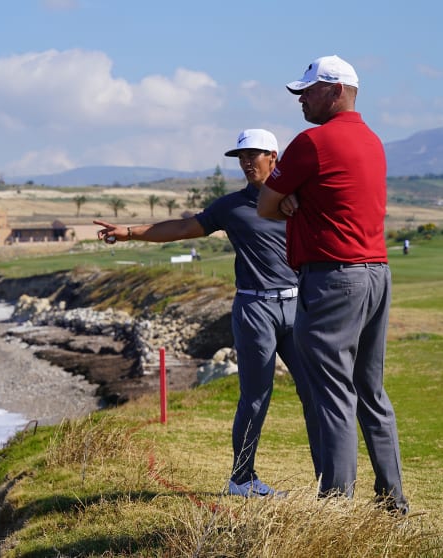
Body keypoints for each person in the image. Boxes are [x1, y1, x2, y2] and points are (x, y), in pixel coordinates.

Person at [95, 129, 321, 497]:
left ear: (274, 158)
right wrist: (131, 232)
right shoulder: (230, 207)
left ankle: (327, 482)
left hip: (298, 306)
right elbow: (184, 227)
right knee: (255, 395)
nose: (247, 162)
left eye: (254, 155)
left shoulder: (299, 200)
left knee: (313, 392)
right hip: (254, 308)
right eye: (241, 157)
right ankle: (242, 480)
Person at [256, 55, 409, 514]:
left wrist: (289, 200)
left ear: (337, 91)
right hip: (376, 273)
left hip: (332, 279)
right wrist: (294, 199)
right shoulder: (373, 140)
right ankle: (391, 502)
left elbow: (265, 204)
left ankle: (335, 510)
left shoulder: (312, 142)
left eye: (309, 90)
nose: (301, 98)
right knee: (371, 392)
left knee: (332, 393)